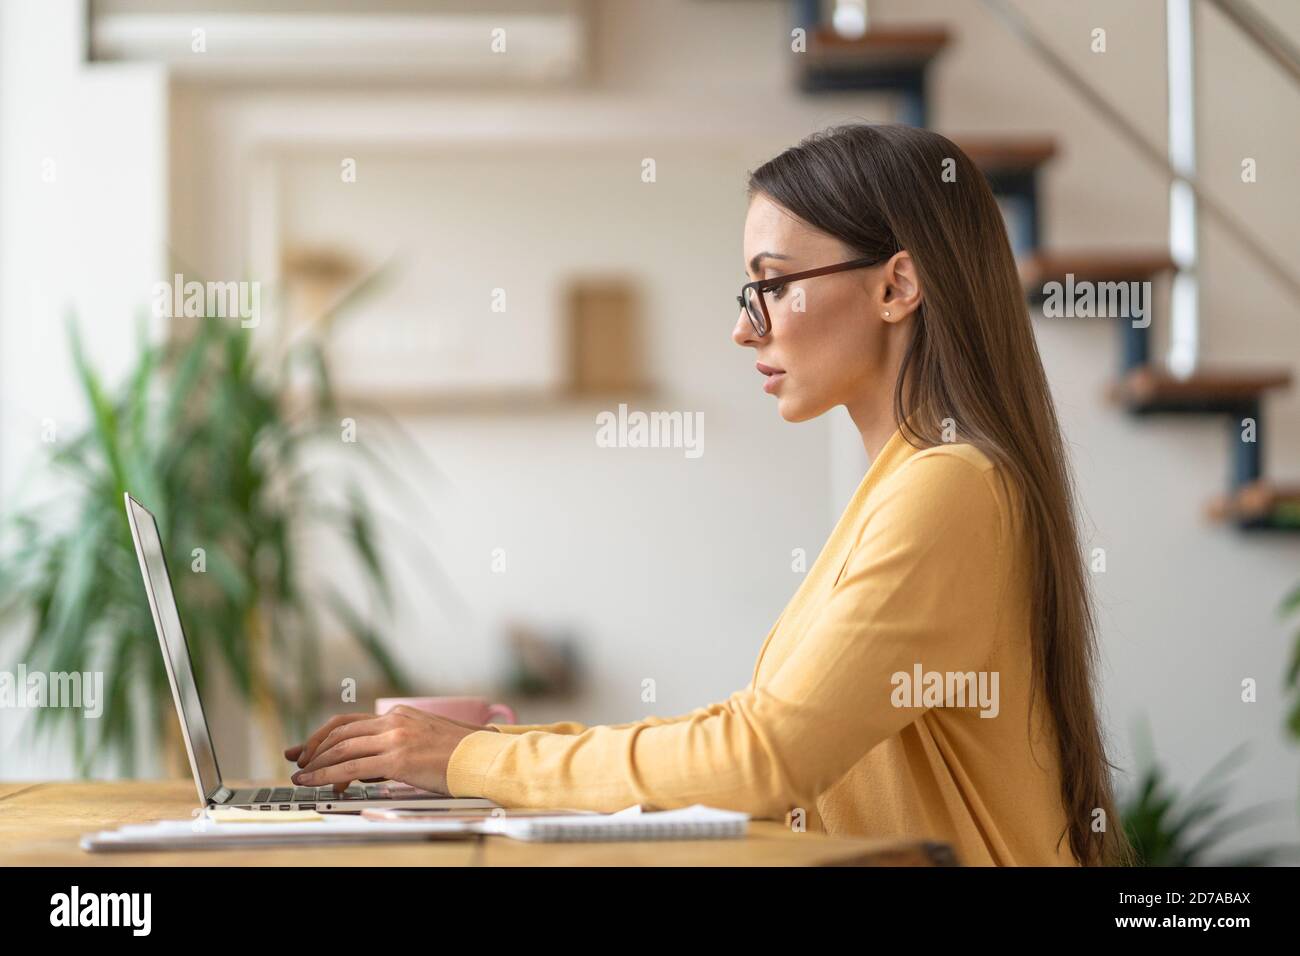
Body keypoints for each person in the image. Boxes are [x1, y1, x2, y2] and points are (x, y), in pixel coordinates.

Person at [285, 124, 1127, 866]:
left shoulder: (950, 488)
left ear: (896, 287)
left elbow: (759, 759)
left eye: (773, 282)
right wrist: (483, 749)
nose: (744, 325)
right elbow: (752, 734)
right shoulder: (915, 482)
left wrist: (465, 762)